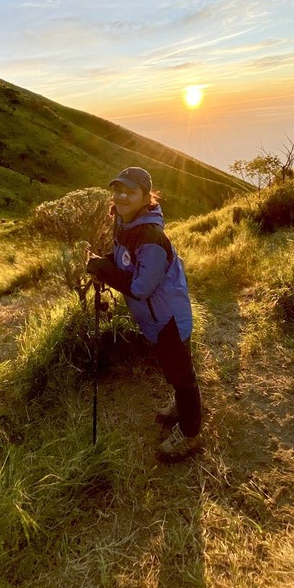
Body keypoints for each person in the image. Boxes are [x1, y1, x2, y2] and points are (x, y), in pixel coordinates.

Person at [86, 166, 203, 459]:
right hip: (153, 317)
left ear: (145, 197)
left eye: (131, 191)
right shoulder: (124, 223)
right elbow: (120, 257)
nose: (122, 195)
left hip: (168, 318)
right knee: (171, 368)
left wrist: (102, 268)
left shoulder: (150, 236)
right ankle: (181, 403)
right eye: (118, 189)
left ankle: (190, 434)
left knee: (182, 375)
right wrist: (106, 263)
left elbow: (140, 287)